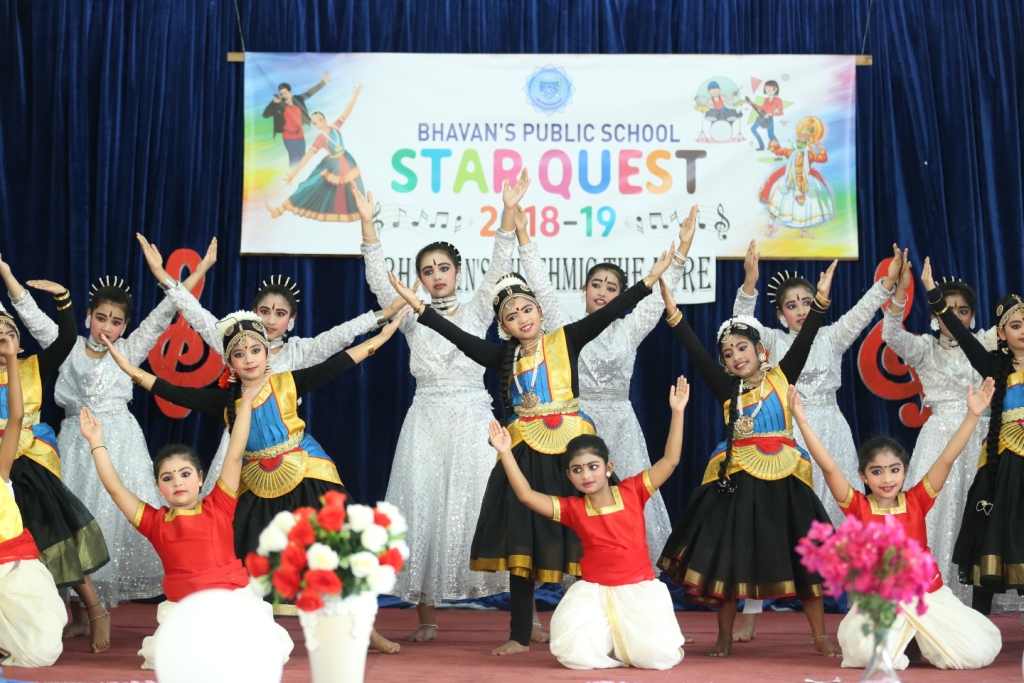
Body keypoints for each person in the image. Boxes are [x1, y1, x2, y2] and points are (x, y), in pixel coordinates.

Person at [386, 245, 674, 656]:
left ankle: (608, 625)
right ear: (503, 326)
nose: (521, 318)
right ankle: (520, 635)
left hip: (571, 454)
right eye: (511, 316)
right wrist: (418, 307)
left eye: (526, 309)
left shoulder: (566, 339)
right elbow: (458, 337)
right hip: (525, 454)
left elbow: (611, 311)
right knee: (521, 544)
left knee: (592, 537)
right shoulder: (502, 356)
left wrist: (650, 280)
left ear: (539, 310)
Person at [100, 309, 405, 653]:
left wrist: (380, 339)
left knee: (335, 549)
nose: (249, 359)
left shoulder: (287, 383)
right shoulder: (226, 401)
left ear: (266, 352)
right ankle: (252, 633)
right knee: (249, 555)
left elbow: (336, 365)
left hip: (306, 473)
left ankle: (365, 630)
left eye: (255, 350)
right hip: (257, 481)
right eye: (239, 354)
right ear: (230, 363)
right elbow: (173, 391)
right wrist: (129, 369)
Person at [7, 242, 216, 614]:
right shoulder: (68, 346)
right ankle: (79, 611)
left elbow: (166, 310)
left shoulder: (130, 349)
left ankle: (102, 611)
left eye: (116, 321)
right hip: (75, 442)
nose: (107, 326)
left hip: (119, 441)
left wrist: (199, 271)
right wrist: (7, 275)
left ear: (125, 325)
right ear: (88, 315)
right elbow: (32, 314)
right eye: (101, 317)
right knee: (73, 521)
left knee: (116, 516)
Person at [354, 177, 520, 643]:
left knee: (491, 510)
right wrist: (368, 226)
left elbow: (501, 263)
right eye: (427, 271)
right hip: (425, 420)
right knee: (421, 508)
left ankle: (525, 619)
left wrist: (508, 212)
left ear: (458, 271)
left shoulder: (478, 310)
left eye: (443, 267)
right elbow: (378, 281)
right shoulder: (410, 316)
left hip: (473, 419)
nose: (436, 275)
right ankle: (426, 616)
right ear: (421, 279)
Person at [658, 260, 842, 658]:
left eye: (742, 348)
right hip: (738, 479)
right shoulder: (726, 388)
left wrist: (822, 299)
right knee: (728, 559)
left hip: (787, 480)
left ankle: (819, 635)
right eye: (728, 354)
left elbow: (809, 333)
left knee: (805, 558)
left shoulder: (782, 375)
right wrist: (673, 314)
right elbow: (694, 348)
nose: (735, 356)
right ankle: (724, 636)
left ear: (761, 350)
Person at [135, 232, 406, 498]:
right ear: (254, 313)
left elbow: (341, 335)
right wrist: (161, 273)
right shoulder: (234, 342)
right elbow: (197, 314)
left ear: (291, 320)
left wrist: (384, 314)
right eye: (264, 312)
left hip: (285, 451)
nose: (271, 320)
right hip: (238, 447)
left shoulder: (300, 351)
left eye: (280, 313)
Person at [730, 244, 901, 639]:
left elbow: (862, 311)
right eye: (792, 305)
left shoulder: (831, 336)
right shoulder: (770, 342)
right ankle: (752, 611)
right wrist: (750, 283)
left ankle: (861, 609)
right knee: (778, 522)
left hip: (832, 434)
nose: (801, 309)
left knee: (847, 517)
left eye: (807, 302)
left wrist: (887, 283)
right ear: (780, 315)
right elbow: (740, 323)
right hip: (789, 437)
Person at [514, 205, 700, 570]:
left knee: (630, 496)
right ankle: (579, 573)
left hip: (621, 424)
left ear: (622, 295)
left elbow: (657, 298)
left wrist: (682, 249)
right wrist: (522, 233)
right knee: (579, 500)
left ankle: (632, 571)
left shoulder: (630, 329)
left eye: (612, 288)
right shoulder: (566, 327)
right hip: (579, 424)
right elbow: (540, 284)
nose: (602, 292)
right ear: (583, 289)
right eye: (596, 285)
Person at [79, 377, 293, 670]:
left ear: (201, 478)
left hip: (231, 603)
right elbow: (116, 489)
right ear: (159, 488)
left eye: (185, 474)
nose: (178, 482)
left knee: (251, 653)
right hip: (184, 611)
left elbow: (234, 454)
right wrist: (96, 442)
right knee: (179, 659)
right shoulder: (154, 522)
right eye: (167, 478)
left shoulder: (219, 505)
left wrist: (245, 404)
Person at [791, 382, 1003, 670]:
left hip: (926, 595)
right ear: (863, 476)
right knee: (870, 656)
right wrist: (802, 422)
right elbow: (828, 467)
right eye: (876, 471)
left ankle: (916, 634)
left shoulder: (917, 499)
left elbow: (947, 458)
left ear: (904, 471)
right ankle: (903, 637)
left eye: (894, 470)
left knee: (974, 653)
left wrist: (972, 415)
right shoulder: (858, 506)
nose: (887, 479)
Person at [489, 375, 691, 670]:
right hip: (594, 594)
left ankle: (625, 642)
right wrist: (506, 452)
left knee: (657, 658)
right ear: (569, 476)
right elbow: (527, 496)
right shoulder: (573, 509)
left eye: (593, 467)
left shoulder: (633, 491)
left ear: (608, 468)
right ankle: (608, 641)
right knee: (576, 656)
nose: (586, 475)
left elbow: (670, 460)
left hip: (639, 591)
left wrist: (678, 411)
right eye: (577, 470)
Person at [0, 265, 111, 653]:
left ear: (19, 343)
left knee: (54, 536)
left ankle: (94, 611)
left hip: (28, 466)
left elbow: (66, 340)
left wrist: (63, 298)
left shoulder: (32, 368)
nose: (3, 342)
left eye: (9, 335)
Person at [881, 255, 993, 606]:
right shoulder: (924, 348)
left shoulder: (987, 343)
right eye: (946, 310)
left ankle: (976, 599)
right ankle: (928, 595)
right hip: (939, 439)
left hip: (982, 439)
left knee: (978, 512)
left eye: (962, 311)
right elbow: (889, 334)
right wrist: (901, 291)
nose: (954, 317)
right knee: (932, 514)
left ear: (973, 316)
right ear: (933, 316)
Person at [921, 257, 1024, 615]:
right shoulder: (994, 366)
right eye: (1016, 325)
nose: (1023, 331)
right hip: (1003, 463)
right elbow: (962, 335)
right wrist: (933, 293)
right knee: (990, 539)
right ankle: (980, 626)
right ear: (1001, 334)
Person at [0, 333, 67, 668]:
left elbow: (16, 416)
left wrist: (12, 358)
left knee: (41, 652)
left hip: (15, 569)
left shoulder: (1, 467)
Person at [266, 85, 364, 222]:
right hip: (331, 164)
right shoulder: (320, 139)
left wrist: (355, 96)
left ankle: (362, 211)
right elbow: (308, 156)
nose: (318, 124)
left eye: (319, 120)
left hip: (346, 161)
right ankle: (280, 209)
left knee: (352, 189)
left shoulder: (335, 127)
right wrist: (295, 172)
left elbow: (346, 112)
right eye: (315, 123)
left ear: (325, 119)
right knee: (308, 185)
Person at [757, 116, 834, 238]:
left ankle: (804, 232)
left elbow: (823, 158)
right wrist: (773, 146)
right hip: (788, 181)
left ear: (809, 142)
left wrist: (819, 146)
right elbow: (780, 151)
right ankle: (770, 227)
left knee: (805, 208)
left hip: (806, 183)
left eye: (805, 140)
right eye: (800, 139)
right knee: (776, 205)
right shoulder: (791, 152)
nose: (801, 141)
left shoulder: (810, 155)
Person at [262, 72, 329, 166]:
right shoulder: (280, 106)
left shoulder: (298, 99)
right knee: (294, 161)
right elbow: (265, 115)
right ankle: (292, 175)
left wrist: (323, 82)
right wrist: (273, 102)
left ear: (290, 92)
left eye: (285, 93)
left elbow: (309, 93)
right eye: (282, 94)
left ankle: (298, 175)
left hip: (300, 137)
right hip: (288, 138)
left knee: (302, 161)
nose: (284, 95)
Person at [749, 80, 783, 151]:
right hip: (761, 117)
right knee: (753, 129)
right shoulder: (766, 99)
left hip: (769, 119)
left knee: (771, 135)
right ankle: (762, 146)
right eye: (767, 89)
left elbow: (781, 113)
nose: (768, 91)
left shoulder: (778, 100)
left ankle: (779, 150)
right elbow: (762, 108)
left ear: (775, 89)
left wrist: (771, 114)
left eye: (771, 89)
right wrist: (753, 104)